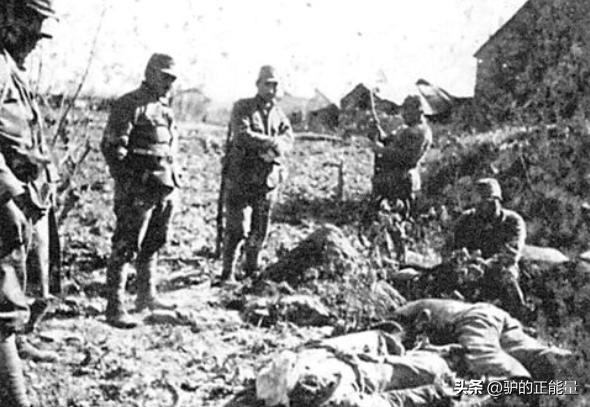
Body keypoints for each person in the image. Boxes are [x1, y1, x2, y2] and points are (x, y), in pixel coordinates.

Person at [0, 0, 60, 404]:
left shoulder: (12, 67)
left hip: (25, 192)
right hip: (6, 197)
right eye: (32, 25)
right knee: (2, 303)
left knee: (25, 282)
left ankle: (19, 346)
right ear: (8, 16)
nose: (37, 38)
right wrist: (10, 195)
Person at [101, 53, 181, 329]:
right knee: (126, 245)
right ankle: (115, 307)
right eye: (164, 77)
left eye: (172, 79)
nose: (169, 83)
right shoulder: (130, 104)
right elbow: (113, 148)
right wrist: (130, 183)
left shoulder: (164, 108)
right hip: (138, 191)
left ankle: (146, 297)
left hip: (164, 188)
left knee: (153, 243)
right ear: (149, 74)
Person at [218, 65, 294, 283]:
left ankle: (251, 270)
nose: (271, 89)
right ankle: (227, 273)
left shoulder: (279, 114)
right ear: (258, 84)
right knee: (237, 229)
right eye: (267, 84)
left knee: (260, 229)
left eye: (275, 85)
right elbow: (242, 134)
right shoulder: (243, 107)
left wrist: (278, 147)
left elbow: (288, 138)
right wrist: (271, 143)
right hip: (241, 177)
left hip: (267, 180)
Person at [392, 298, 571, 380]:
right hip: (492, 317)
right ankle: (571, 365)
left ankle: (520, 388)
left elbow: (419, 321)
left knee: (487, 357)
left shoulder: (403, 315)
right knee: (526, 352)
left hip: (473, 318)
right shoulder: (418, 306)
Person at [448, 178, 527, 313]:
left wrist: (486, 264)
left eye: (490, 202)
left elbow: (511, 254)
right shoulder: (466, 219)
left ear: (498, 201)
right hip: (469, 267)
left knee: (507, 277)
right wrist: (463, 258)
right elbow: (453, 247)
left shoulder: (512, 221)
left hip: (498, 267)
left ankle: (518, 315)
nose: (485, 207)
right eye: (481, 202)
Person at [369, 95, 432, 218]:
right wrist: (377, 131)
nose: (403, 114)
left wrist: (381, 150)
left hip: (400, 178)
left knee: (395, 214)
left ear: (418, 112)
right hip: (395, 177)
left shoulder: (418, 131)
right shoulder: (408, 129)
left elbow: (406, 156)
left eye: (407, 110)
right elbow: (389, 141)